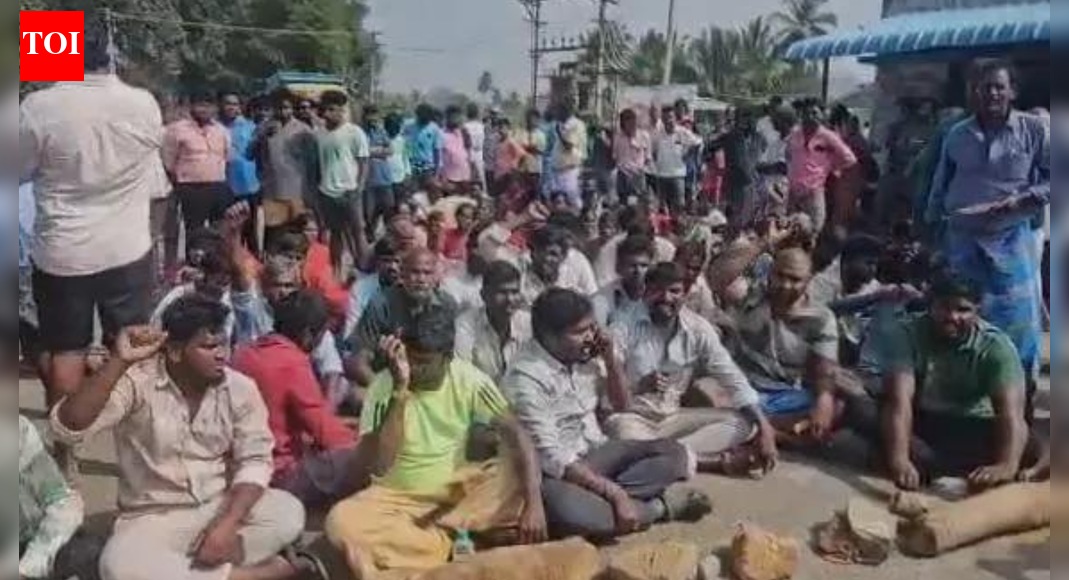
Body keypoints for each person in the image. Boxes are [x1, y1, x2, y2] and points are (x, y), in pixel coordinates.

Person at [51, 297, 324, 580]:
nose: (222, 355)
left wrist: (227, 524)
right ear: (175, 352)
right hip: (151, 518)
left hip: (218, 505)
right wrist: (119, 360)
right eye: (209, 346)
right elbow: (68, 426)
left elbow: (255, 460)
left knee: (287, 512)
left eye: (224, 344)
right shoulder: (137, 382)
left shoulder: (239, 388)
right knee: (118, 566)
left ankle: (197, 569)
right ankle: (255, 575)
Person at [325, 305, 547, 580]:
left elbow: (517, 433)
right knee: (340, 523)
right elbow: (380, 465)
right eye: (411, 357)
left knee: (514, 469)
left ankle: (427, 546)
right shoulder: (385, 387)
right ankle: (447, 544)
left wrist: (534, 505)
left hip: (458, 497)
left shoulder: (469, 378)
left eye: (424, 361)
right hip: (396, 500)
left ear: (447, 357)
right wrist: (399, 392)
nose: (414, 367)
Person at [20, 35, 167, 424]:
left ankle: (65, 457)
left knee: (66, 352)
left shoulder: (38, 106)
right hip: (128, 246)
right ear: (110, 58)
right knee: (132, 349)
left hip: (62, 251)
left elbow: (16, 168)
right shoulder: (143, 103)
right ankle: (134, 441)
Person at [503, 289, 712, 540]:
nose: (591, 336)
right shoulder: (525, 377)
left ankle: (609, 506)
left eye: (592, 327)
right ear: (550, 337)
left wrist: (611, 359)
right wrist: (615, 494)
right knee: (572, 513)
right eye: (580, 332)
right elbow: (553, 457)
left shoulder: (585, 355)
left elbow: (623, 405)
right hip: (556, 474)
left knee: (675, 454)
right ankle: (657, 508)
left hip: (597, 454)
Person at [926, 62, 1049, 409]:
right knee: (959, 321)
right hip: (961, 241)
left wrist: (1016, 203)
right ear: (973, 93)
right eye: (984, 87)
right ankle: (965, 403)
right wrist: (930, 233)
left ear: (1013, 91)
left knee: (1018, 327)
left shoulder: (1033, 130)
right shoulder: (957, 134)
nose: (991, 93)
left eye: (998, 86)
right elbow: (940, 187)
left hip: (1010, 241)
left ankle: (1020, 404)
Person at [606, 263, 778, 476]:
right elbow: (607, 396)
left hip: (673, 419)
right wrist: (638, 386)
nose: (665, 298)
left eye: (674, 291)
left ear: (685, 294)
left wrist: (765, 428)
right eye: (657, 290)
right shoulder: (622, 326)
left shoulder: (698, 328)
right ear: (644, 291)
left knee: (744, 424)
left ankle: (662, 454)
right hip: (632, 418)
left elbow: (732, 377)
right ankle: (710, 462)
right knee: (621, 434)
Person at [874, 275, 1033, 491]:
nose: (952, 317)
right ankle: (924, 462)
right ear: (930, 306)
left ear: (978, 310)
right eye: (943, 308)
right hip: (923, 422)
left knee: (1038, 441)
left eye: (963, 310)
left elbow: (1011, 414)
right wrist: (899, 460)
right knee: (862, 405)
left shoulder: (996, 346)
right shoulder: (907, 334)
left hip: (974, 427)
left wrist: (1006, 465)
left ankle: (937, 465)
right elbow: (898, 402)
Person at [233, 291, 365, 506]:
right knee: (363, 456)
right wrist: (365, 442)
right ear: (307, 334)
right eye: (322, 334)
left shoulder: (244, 354)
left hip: (242, 465)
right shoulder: (292, 363)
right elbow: (326, 433)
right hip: (278, 473)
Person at [715, 242, 844, 441]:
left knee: (835, 407)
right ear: (770, 273)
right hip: (737, 386)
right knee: (704, 392)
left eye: (795, 279)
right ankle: (774, 433)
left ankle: (753, 428)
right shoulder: (751, 295)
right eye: (780, 276)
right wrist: (767, 242)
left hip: (780, 395)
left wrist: (824, 400)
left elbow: (824, 371)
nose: (785, 285)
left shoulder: (820, 319)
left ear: (808, 281)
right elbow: (720, 275)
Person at [347, 248, 459, 387]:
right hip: (388, 380)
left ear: (436, 276)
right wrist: (380, 390)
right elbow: (357, 361)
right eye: (415, 272)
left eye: (427, 273)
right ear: (402, 274)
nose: (421, 279)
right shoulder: (381, 303)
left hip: (432, 382)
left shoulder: (447, 305)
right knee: (356, 395)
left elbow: (449, 356)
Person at [17, 412, 105, 580]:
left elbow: (63, 505)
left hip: (36, 546)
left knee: (90, 553)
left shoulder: (19, 433)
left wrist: (25, 569)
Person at [316, 90, 371, 273]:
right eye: (326, 109)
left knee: (358, 231)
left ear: (342, 110)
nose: (330, 114)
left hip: (350, 191)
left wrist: (359, 188)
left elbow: (364, 160)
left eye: (334, 109)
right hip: (327, 192)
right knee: (335, 233)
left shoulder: (354, 132)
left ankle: (363, 267)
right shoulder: (319, 134)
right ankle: (336, 271)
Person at [164, 91, 233, 235]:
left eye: (209, 106)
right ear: (191, 106)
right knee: (195, 231)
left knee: (220, 231)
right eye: (200, 105)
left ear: (215, 108)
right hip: (191, 189)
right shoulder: (176, 129)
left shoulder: (222, 130)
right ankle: (194, 257)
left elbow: (228, 158)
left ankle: (216, 258)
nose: (204, 110)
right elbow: (168, 162)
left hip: (218, 186)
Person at [786, 98, 858, 234]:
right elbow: (788, 154)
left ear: (821, 115)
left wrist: (830, 166)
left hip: (813, 191)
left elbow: (849, 158)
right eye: (807, 113)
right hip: (793, 191)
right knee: (790, 230)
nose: (810, 117)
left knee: (813, 230)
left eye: (814, 113)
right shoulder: (795, 134)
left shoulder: (828, 136)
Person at [253, 92, 318, 239]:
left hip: (298, 191)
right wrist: (262, 135)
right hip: (272, 190)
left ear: (292, 109)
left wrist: (311, 192)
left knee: (298, 233)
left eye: (286, 107)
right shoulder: (263, 128)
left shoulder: (304, 130)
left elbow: (313, 164)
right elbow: (251, 155)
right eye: (279, 107)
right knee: (274, 233)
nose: (283, 111)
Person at [455, 260, 532, 382]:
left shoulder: (527, 323)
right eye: (502, 292)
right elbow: (463, 376)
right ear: (484, 295)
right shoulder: (466, 326)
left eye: (514, 292)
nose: (510, 299)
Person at [706, 106, 768, 231]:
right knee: (734, 217)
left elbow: (763, 155)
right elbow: (709, 147)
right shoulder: (730, 136)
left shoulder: (759, 138)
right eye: (743, 118)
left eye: (750, 118)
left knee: (752, 218)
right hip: (733, 184)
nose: (747, 121)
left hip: (752, 184)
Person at [220, 93, 262, 252]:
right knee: (230, 228)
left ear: (240, 107)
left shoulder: (252, 127)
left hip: (250, 185)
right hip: (226, 184)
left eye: (235, 104)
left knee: (250, 230)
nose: (231, 107)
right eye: (227, 104)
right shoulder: (217, 128)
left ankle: (253, 266)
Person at [344, 237, 403, 338]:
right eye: (386, 261)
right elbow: (351, 329)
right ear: (377, 262)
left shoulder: (410, 287)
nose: (393, 267)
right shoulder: (361, 288)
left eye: (397, 261)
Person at [592, 234, 655, 327]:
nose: (638, 271)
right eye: (632, 265)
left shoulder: (659, 297)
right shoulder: (602, 299)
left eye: (644, 265)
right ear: (619, 267)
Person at [651, 106, 703, 216]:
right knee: (662, 207)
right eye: (665, 117)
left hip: (677, 175)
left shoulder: (683, 132)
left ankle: (679, 229)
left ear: (675, 117)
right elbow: (653, 150)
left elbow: (698, 142)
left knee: (679, 205)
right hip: (661, 175)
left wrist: (689, 155)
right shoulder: (657, 133)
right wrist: (657, 161)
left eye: (670, 117)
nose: (668, 120)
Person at [362, 105, 398, 239]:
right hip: (367, 180)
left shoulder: (381, 131)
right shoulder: (359, 132)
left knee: (388, 208)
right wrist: (378, 151)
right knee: (368, 213)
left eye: (375, 114)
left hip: (384, 178)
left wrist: (371, 151)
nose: (372, 118)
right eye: (369, 114)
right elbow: (360, 152)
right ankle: (369, 237)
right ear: (364, 116)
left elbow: (390, 150)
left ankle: (388, 237)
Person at [548, 102, 588, 209]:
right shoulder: (562, 124)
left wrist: (559, 133)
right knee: (558, 201)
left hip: (569, 170)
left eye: (558, 111)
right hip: (558, 169)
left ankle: (579, 221)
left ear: (566, 111)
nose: (556, 114)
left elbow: (569, 145)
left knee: (573, 199)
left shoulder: (575, 125)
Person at [613, 109, 653, 203]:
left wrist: (640, 170)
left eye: (633, 122)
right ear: (622, 124)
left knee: (637, 203)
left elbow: (648, 157)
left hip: (637, 175)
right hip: (622, 174)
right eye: (627, 123)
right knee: (624, 203)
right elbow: (615, 156)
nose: (631, 126)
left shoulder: (644, 136)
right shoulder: (618, 137)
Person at [406, 104, 444, 197]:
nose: (424, 120)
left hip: (428, 168)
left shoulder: (434, 128)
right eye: (421, 118)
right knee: (414, 196)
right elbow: (406, 147)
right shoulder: (409, 126)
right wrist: (406, 167)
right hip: (413, 166)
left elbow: (437, 151)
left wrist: (436, 172)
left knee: (428, 196)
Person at [439, 105, 474, 195]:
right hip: (450, 179)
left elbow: (469, 154)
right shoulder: (441, 134)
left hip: (465, 177)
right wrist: (443, 179)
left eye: (458, 116)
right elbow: (439, 159)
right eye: (453, 116)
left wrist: (472, 174)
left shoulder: (464, 132)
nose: (456, 119)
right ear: (447, 117)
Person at [514, 108, 547, 200]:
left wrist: (531, 148)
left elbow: (541, 151)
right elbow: (516, 148)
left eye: (534, 119)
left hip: (534, 170)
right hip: (522, 169)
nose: (531, 121)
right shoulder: (520, 133)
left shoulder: (541, 135)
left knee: (534, 197)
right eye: (529, 118)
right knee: (521, 196)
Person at [464, 103, 488, 193]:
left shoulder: (464, 127)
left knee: (469, 179)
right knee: (482, 180)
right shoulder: (481, 126)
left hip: (468, 154)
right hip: (480, 154)